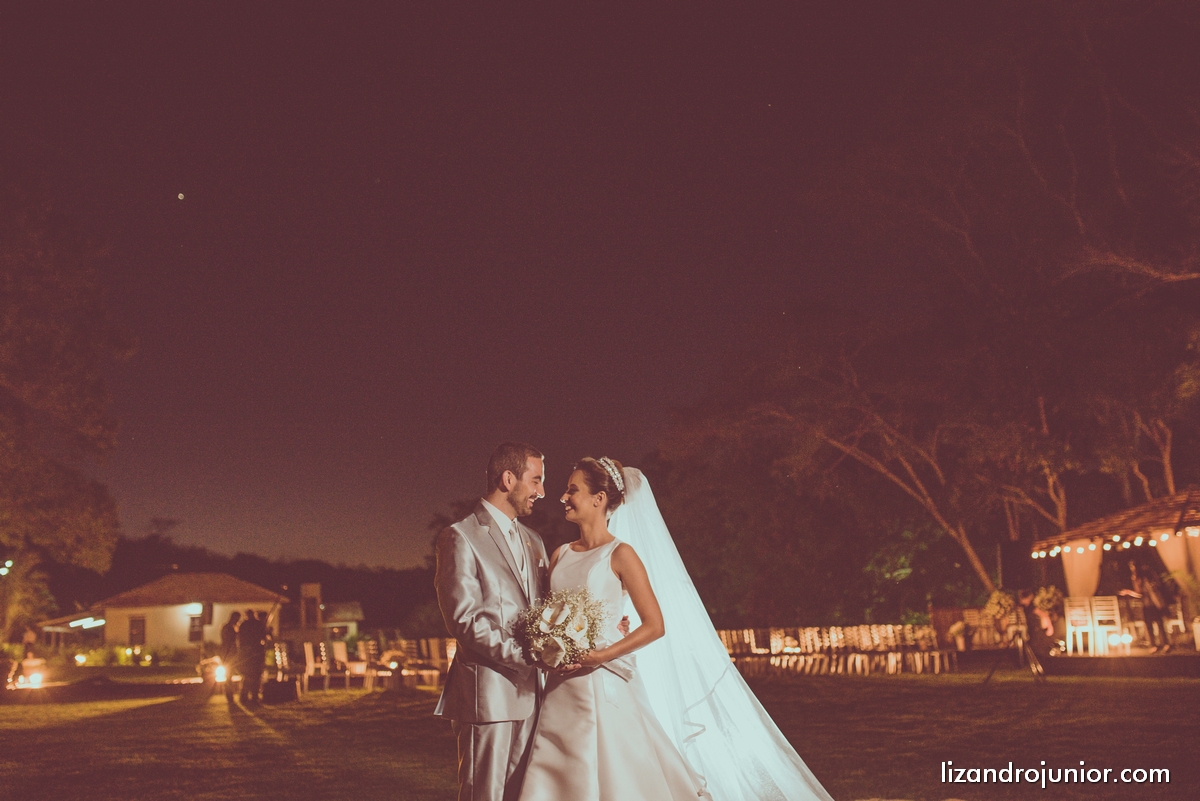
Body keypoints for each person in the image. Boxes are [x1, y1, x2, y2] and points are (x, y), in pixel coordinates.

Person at [518, 458, 832, 801]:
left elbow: (655, 625)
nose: (563, 497)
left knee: (617, 773)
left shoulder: (621, 554)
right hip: (561, 685)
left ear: (599, 499)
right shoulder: (560, 554)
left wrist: (601, 654)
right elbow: (549, 614)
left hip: (603, 683)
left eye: (572, 490)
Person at [435, 442, 551, 801]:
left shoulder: (534, 541)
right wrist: (528, 656)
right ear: (507, 478)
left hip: (535, 694)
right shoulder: (461, 536)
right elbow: (464, 619)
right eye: (536, 481)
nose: (542, 492)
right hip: (487, 695)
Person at [1120, 561, 1170, 653]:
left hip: (1150, 604)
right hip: (1150, 604)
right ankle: (1162, 644)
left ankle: (1158, 645)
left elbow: (1140, 593)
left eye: (1132, 567)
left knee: (1153, 624)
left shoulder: (1141, 578)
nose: (1131, 569)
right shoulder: (1145, 576)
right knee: (1156, 624)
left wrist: (1128, 592)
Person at [237, 607, 267, 704]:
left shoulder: (247, 625)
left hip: (253, 654)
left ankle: (250, 696)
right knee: (252, 676)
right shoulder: (255, 625)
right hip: (252, 655)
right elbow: (263, 637)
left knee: (252, 676)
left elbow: (263, 637)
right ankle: (247, 696)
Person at [219, 611, 241, 702]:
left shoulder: (230, 627)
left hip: (230, 653)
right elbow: (228, 640)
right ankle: (229, 694)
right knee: (228, 674)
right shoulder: (228, 628)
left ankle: (231, 693)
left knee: (230, 674)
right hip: (228, 654)